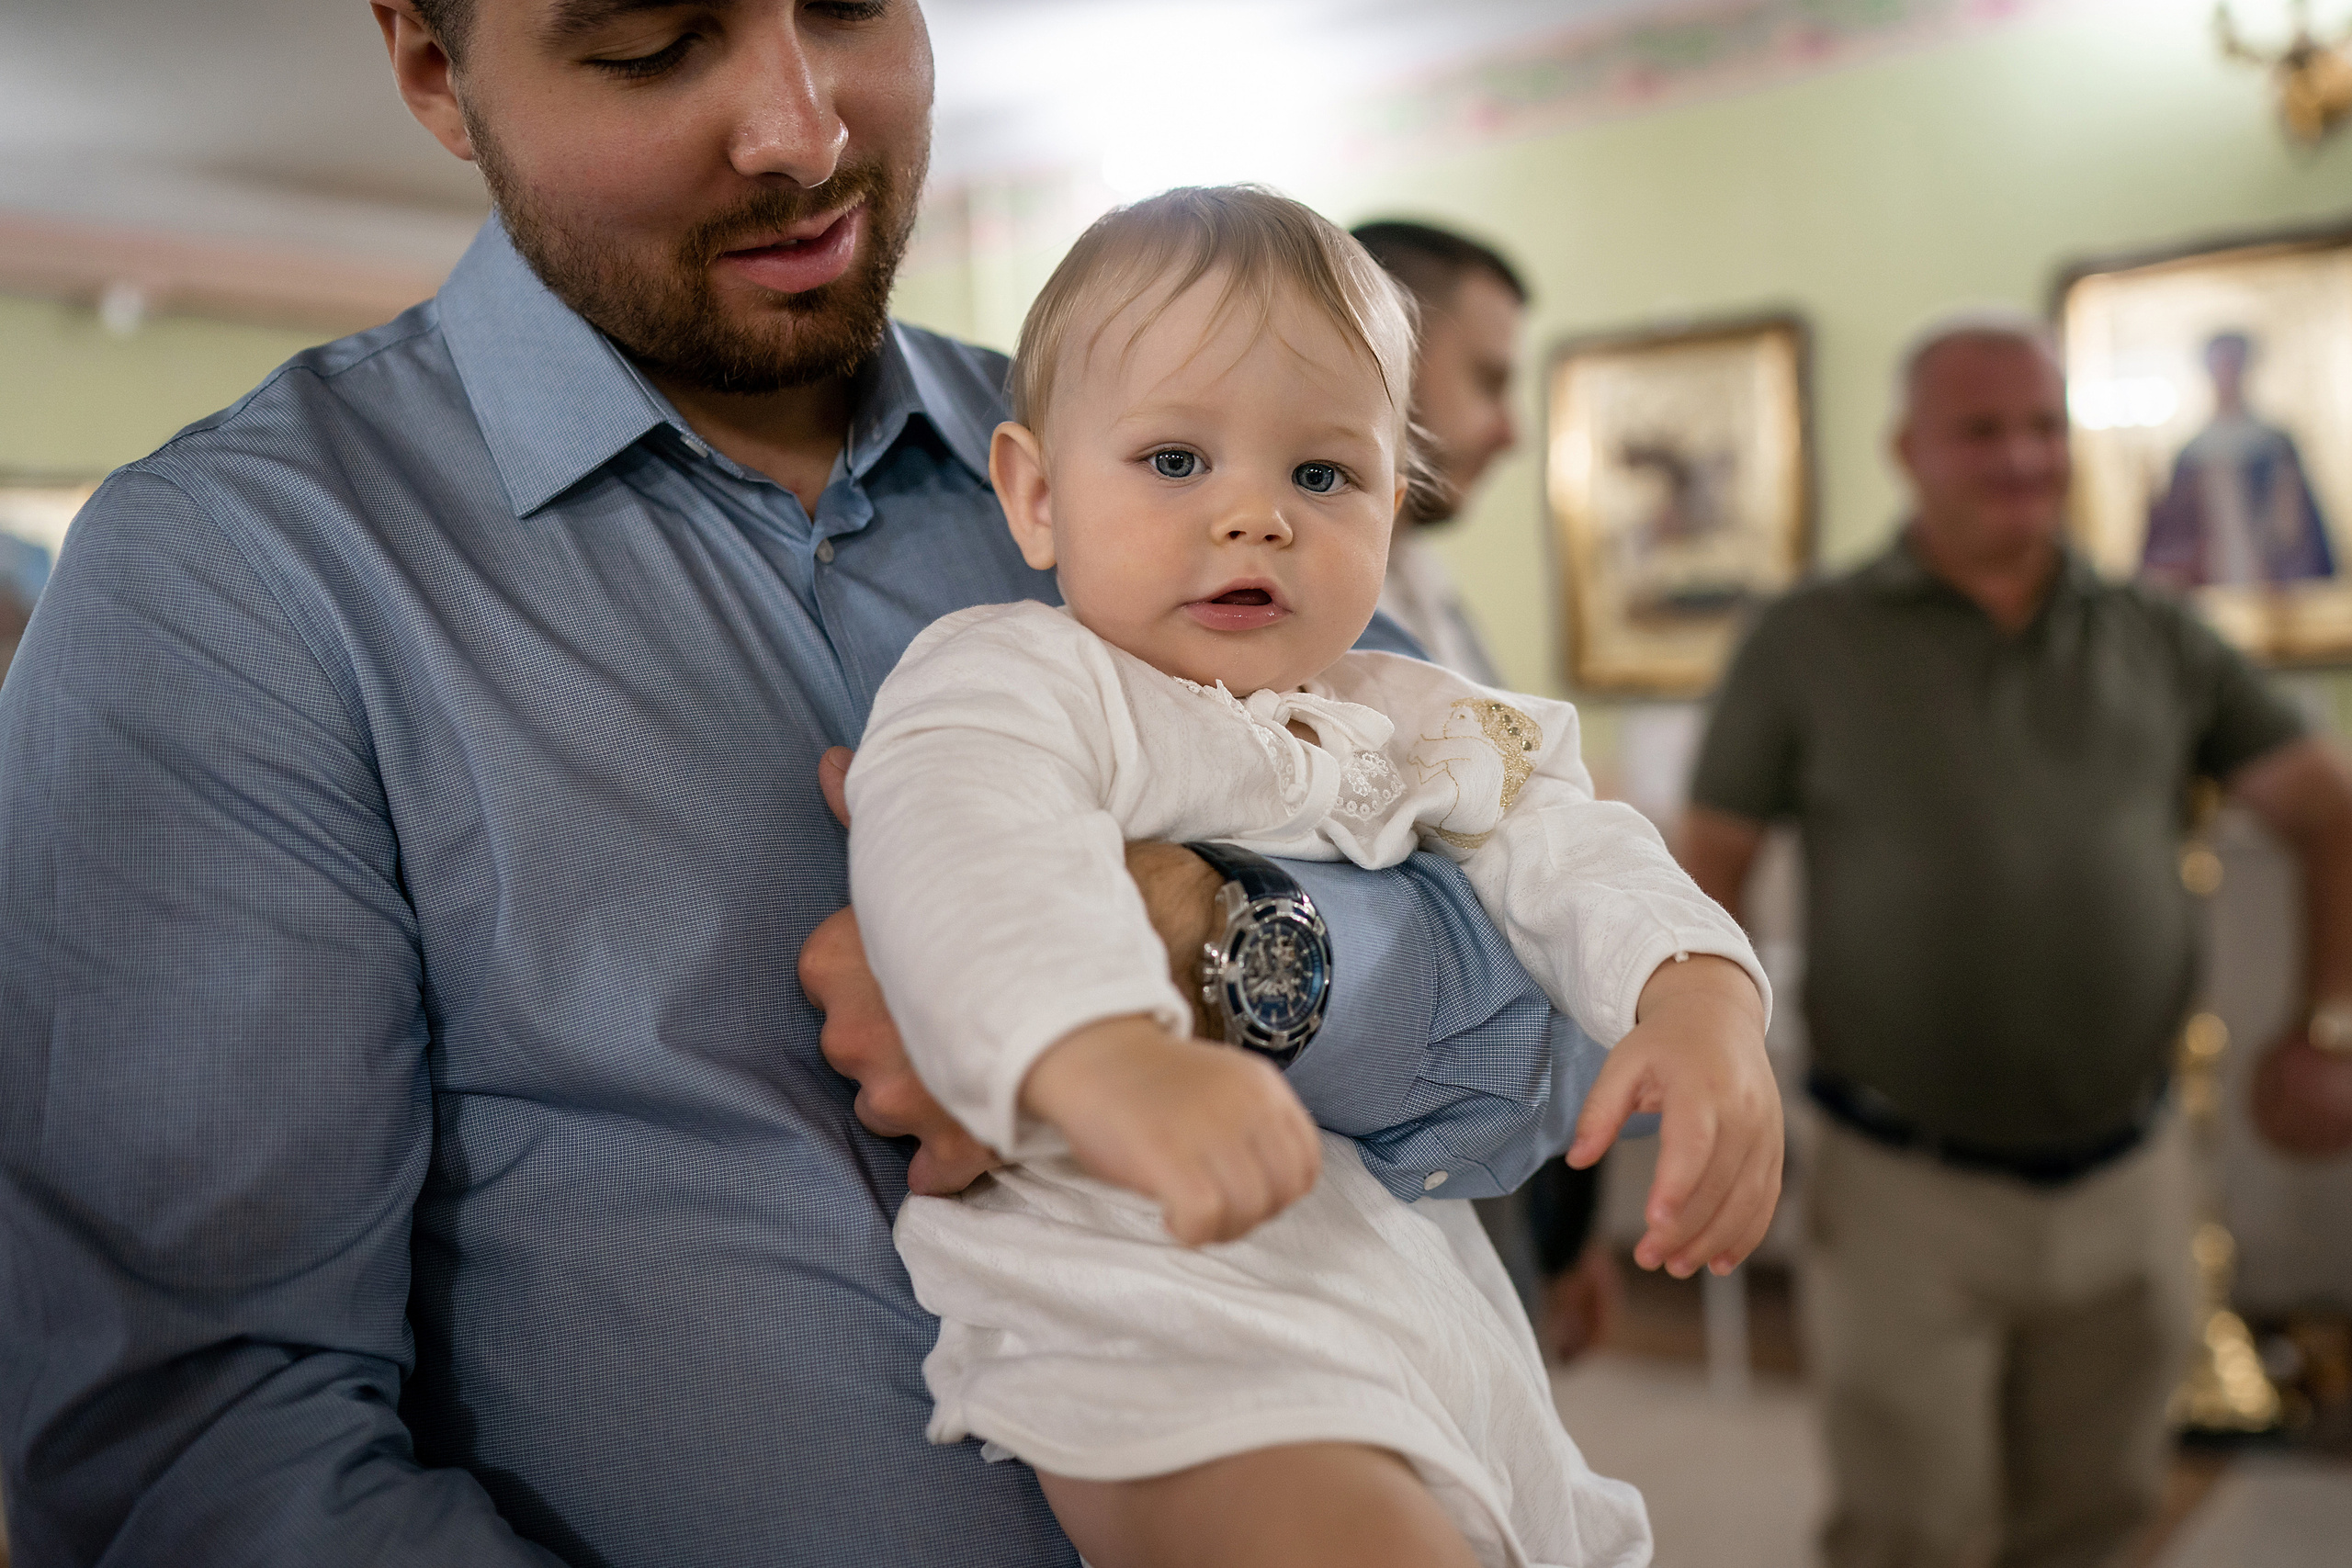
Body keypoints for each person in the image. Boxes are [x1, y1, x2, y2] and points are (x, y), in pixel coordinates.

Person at [0, 5, 1668, 1563]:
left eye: (859, 4)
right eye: (655, 42)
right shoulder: (233, 579)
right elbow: (198, 1448)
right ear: (435, 69)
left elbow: (1535, 1040)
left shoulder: (1171, 451)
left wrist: (1214, 950)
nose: (803, 130)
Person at [851, 186, 1781, 1568]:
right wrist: (1110, 1056)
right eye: (1174, 461)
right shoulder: (1019, 677)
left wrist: (1698, 994)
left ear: (1391, 512)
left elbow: (1570, 836)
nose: (1254, 517)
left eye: (1321, 476)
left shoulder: (1407, 706)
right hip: (1142, 1293)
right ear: (1037, 495)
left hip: (1397, 1280)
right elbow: (967, 857)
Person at [1681, 305, 2352, 1568]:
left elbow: (2328, 809)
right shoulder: (1808, 637)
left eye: (2044, 425)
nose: (2021, 456)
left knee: (2097, 1519)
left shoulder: (2158, 631)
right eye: (1981, 429)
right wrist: (1712, 1072)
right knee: (1912, 1532)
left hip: (2131, 1178)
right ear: (1908, 450)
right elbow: (1704, 864)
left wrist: (2324, 1025)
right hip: (1900, 1184)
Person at [1353, 217, 1624, 1362]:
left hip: (1509, 1162)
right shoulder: (1272, 615)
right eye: (1489, 380)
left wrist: (1573, 1222)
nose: (1511, 427)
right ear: (1394, 357)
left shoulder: (1431, 591)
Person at [2141, 330, 2335, 591]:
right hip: (2211, 587)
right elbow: (2172, 540)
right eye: (2220, 365)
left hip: (2272, 589)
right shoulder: (2192, 454)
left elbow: (2303, 534)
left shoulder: (2275, 446)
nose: (2227, 374)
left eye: (2233, 364)